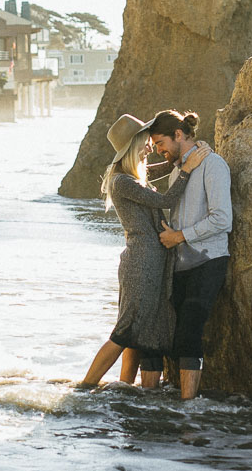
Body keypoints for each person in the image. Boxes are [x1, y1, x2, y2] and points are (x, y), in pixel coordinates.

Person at [76, 113, 208, 391]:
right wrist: (187, 170)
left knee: (139, 330)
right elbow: (166, 200)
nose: (150, 145)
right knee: (126, 330)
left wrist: (182, 161)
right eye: (145, 141)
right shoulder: (123, 181)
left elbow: (160, 174)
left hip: (150, 259)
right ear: (132, 145)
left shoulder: (132, 177)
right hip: (142, 262)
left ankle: (124, 387)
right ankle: (84, 388)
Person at [146, 110, 231, 401]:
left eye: (160, 143)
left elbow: (222, 219)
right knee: (168, 335)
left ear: (178, 135)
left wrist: (179, 236)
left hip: (209, 260)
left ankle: (188, 407)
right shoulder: (175, 172)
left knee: (190, 331)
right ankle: (171, 402)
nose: (159, 150)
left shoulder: (213, 165)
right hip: (180, 264)